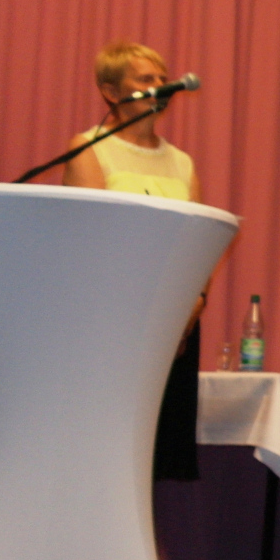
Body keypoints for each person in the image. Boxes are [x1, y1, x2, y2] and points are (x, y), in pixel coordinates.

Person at [62, 40, 205, 481]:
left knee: (151, 457)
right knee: (99, 453)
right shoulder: (90, 148)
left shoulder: (181, 163)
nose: (160, 86)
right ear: (110, 92)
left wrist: (188, 310)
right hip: (108, 322)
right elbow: (91, 245)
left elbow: (198, 248)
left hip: (174, 323)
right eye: (145, 79)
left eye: (163, 78)